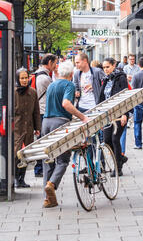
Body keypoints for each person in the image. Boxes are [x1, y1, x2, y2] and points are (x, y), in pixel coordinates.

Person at [42, 61, 88, 208]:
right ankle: (52, 183)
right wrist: (82, 117)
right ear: (71, 74)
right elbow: (66, 104)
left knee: (48, 160)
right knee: (63, 160)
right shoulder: (69, 85)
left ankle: (48, 199)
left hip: (46, 123)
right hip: (59, 124)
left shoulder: (51, 85)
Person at [99, 57, 129, 176]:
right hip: (107, 115)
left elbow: (125, 96)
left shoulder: (121, 77)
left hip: (119, 114)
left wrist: (124, 114)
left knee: (115, 139)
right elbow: (102, 99)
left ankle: (118, 168)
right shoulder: (105, 79)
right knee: (107, 140)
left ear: (114, 65)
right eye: (104, 67)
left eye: (108, 67)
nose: (106, 69)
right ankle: (120, 159)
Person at [14, 68, 41, 188]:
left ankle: (21, 179)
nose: (24, 80)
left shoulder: (33, 92)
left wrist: (37, 127)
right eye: (22, 78)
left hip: (28, 127)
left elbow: (36, 112)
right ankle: (15, 178)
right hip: (16, 128)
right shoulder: (13, 92)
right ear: (18, 79)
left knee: (25, 154)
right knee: (16, 154)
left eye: (26, 78)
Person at [33, 53, 57, 177]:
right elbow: (56, 91)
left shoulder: (37, 74)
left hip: (39, 112)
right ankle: (39, 168)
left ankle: (40, 167)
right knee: (43, 140)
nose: (56, 66)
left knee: (41, 139)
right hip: (43, 112)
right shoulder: (45, 78)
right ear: (49, 63)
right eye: (55, 63)